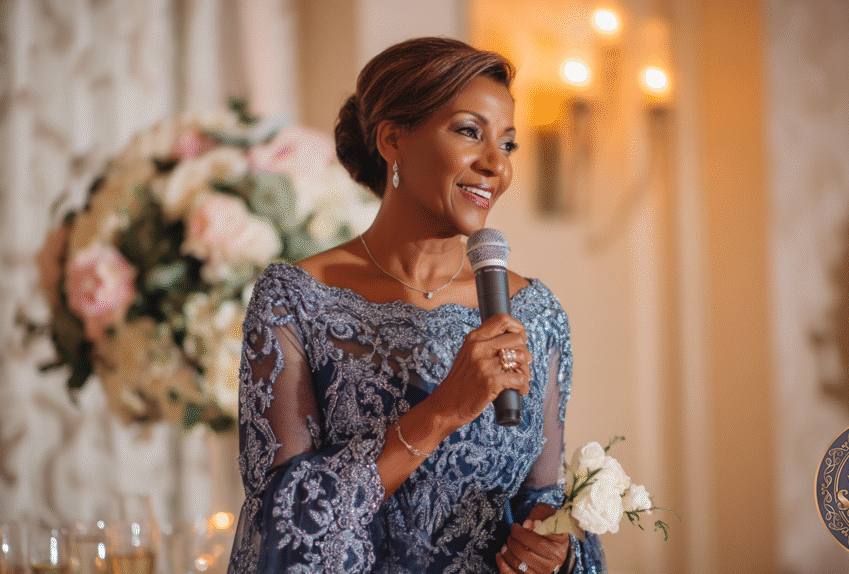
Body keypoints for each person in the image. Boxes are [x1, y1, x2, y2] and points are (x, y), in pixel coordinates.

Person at [228, 37, 607, 574]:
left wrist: (555, 550)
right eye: (470, 132)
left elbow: (543, 498)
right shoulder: (296, 302)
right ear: (393, 140)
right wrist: (443, 411)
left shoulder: (535, 313)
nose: (496, 165)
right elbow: (283, 522)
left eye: (508, 144)